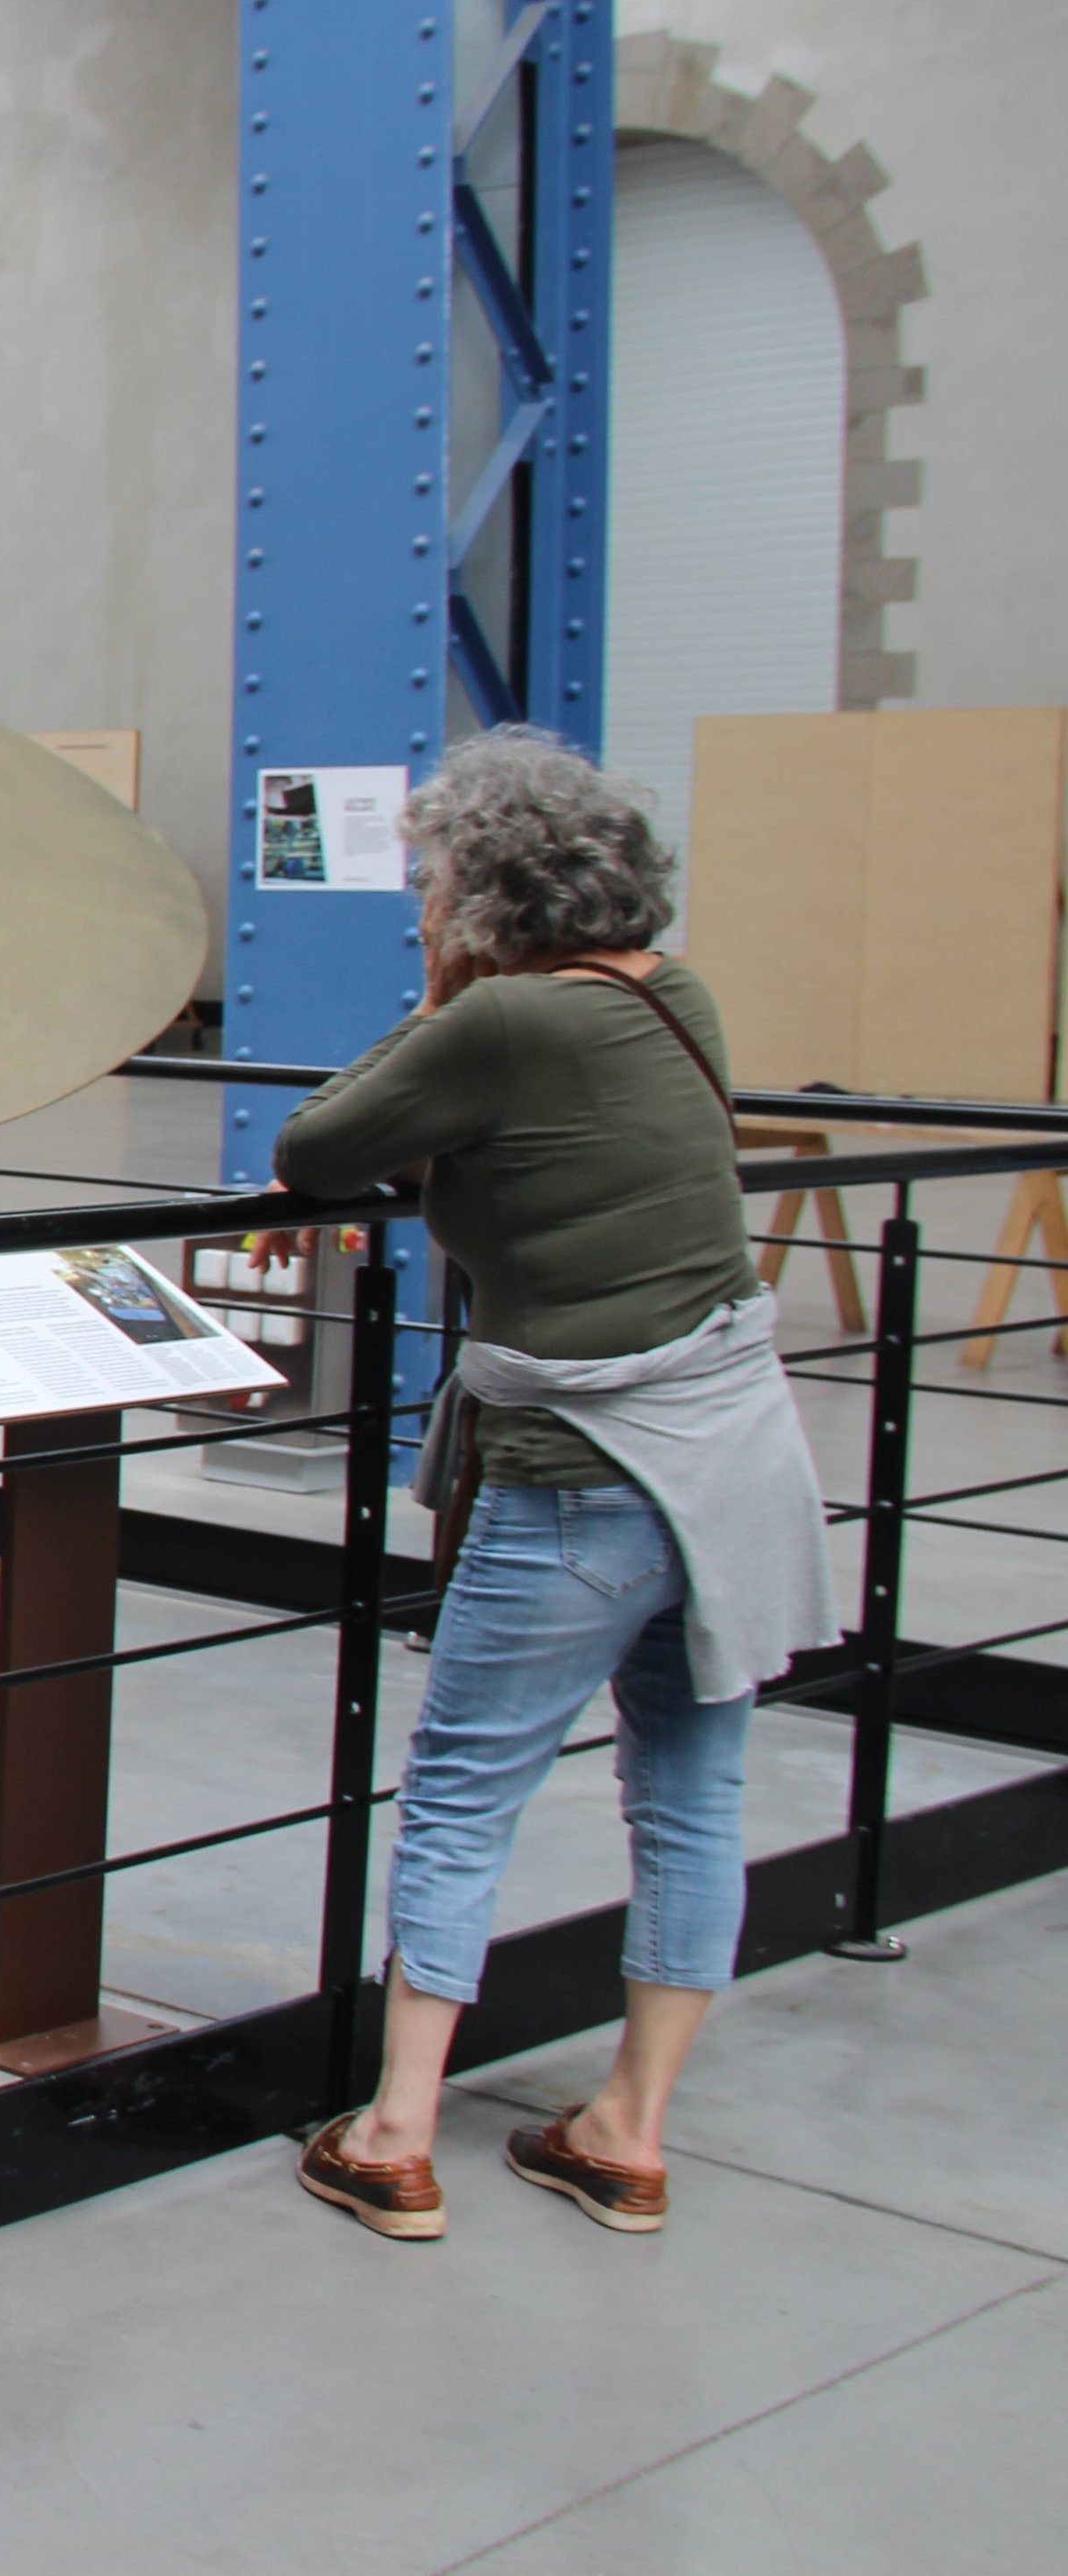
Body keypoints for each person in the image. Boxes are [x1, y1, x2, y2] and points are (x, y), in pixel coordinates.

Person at [274, 728, 830, 2242]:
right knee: (693, 1795)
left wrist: (446, 994)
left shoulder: (499, 1021)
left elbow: (316, 1137)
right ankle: (628, 2132)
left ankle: (394, 2130)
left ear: (486, 894)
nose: (422, 903)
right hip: (727, 1467)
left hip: (577, 1478)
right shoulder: (677, 993)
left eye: (437, 880)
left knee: (461, 1792)